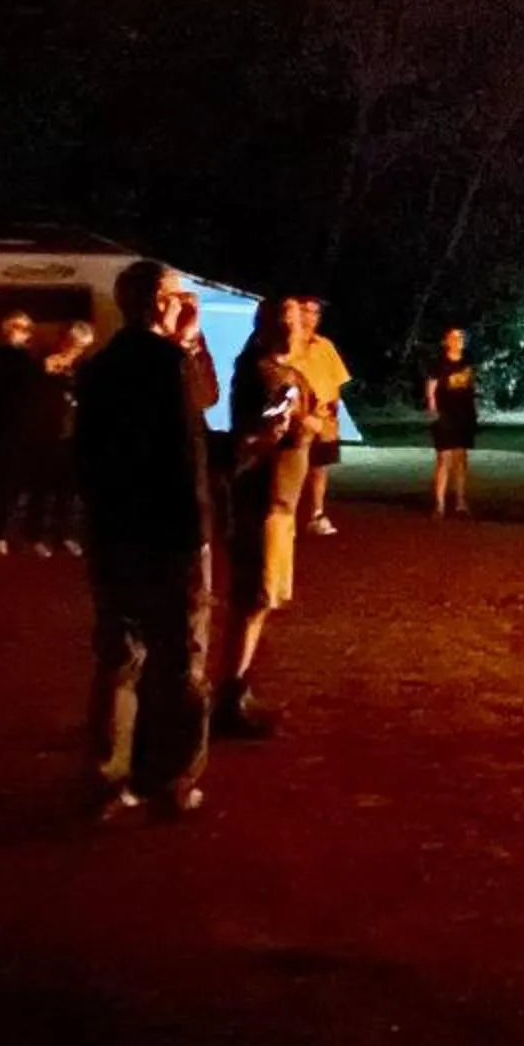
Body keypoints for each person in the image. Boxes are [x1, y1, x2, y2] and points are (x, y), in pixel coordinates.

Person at [73, 261, 216, 819]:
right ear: (161, 301)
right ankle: (173, 777)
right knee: (180, 659)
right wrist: (196, 534)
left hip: (113, 531)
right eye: (179, 294)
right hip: (170, 534)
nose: (185, 302)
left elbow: (86, 458)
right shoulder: (169, 366)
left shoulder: (100, 366)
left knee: (119, 654)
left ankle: (109, 775)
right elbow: (189, 442)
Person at [217, 296, 316, 737]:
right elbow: (266, 430)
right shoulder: (265, 373)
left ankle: (236, 688)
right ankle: (230, 697)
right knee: (253, 598)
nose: (297, 329)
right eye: (288, 321)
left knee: (259, 601)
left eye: (300, 321)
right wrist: (295, 426)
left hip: (279, 503)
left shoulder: (283, 373)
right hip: (263, 502)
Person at [15, 320, 91, 557]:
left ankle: (63, 535)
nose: (77, 351)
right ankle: (33, 535)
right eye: (75, 345)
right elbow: (36, 395)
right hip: (47, 434)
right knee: (42, 488)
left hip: (71, 434)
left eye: (82, 347)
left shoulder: (81, 368)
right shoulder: (44, 363)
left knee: (67, 490)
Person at [0, 312, 44, 557]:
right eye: (21, 328)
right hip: (1, 428)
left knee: (11, 486)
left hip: (19, 429)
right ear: (8, 329)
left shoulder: (26, 358)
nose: (26, 333)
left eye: (28, 329)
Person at [295, 300, 352, 537]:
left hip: (324, 414)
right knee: (295, 468)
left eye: (315, 312)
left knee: (320, 468)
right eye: (306, 311)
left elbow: (337, 380)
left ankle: (316, 514)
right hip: (299, 416)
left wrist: (332, 413)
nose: (311, 317)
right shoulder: (289, 345)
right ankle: (288, 516)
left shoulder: (325, 345)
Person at [424, 326, 480, 517]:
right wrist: (432, 408)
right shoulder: (439, 363)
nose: (458, 340)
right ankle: (439, 504)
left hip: (464, 415)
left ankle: (461, 502)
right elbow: (431, 387)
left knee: (461, 459)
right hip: (445, 415)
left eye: (461, 337)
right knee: (444, 459)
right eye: (454, 337)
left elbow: (472, 384)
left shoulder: (468, 361)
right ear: (446, 341)